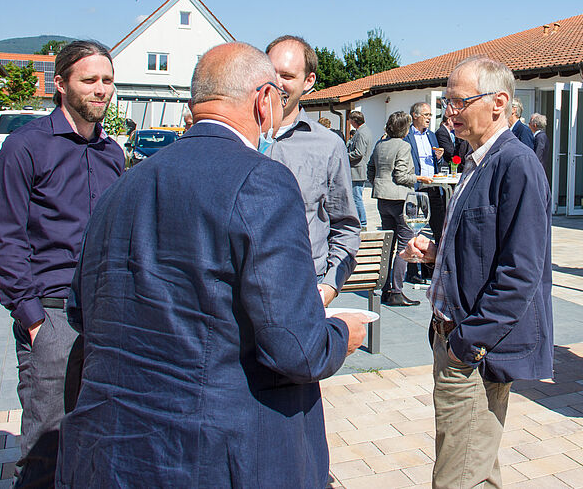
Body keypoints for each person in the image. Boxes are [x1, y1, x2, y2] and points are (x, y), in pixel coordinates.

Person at [55, 42, 367, 488]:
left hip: (116, 449)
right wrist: (341, 333)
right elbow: (295, 348)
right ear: (264, 101)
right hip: (216, 452)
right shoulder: (262, 180)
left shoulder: (123, 187)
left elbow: (82, 312)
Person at [402, 56, 553, 488]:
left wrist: (467, 345)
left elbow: (521, 273)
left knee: (457, 477)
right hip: (454, 338)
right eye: (446, 102)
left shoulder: (515, 164)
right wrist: (438, 253)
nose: (448, 112)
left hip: (472, 351)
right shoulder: (476, 160)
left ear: (498, 102)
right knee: (475, 468)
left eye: (457, 102)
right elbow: (486, 248)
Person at [0, 40, 124, 488]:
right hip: (52, 316)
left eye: (107, 80)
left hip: (104, 317)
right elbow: (5, 238)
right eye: (90, 80)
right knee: (48, 445)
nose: (100, 89)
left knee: (97, 437)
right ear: (60, 84)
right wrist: (31, 319)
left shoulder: (112, 154)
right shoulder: (25, 149)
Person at [265, 34, 361, 307]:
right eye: (271, 73)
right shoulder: (238, 137)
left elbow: (346, 225)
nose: (277, 83)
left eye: (287, 75)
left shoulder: (327, 145)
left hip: (304, 292)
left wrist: (330, 285)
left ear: (308, 82)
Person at [367, 111, 420, 306]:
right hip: (399, 198)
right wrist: (419, 179)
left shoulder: (380, 144)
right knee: (405, 244)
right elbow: (401, 176)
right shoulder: (403, 146)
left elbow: (370, 169)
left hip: (382, 198)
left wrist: (379, 184)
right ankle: (396, 290)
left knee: (388, 244)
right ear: (405, 129)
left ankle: (384, 285)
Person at [403, 102, 445, 283]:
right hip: (416, 188)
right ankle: (412, 272)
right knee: (413, 230)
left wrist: (440, 156)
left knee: (438, 228)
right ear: (415, 115)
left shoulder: (432, 136)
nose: (429, 118)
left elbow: (438, 161)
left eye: (431, 115)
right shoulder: (407, 136)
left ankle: (431, 268)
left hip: (433, 186)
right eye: (426, 114)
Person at [347, 110, 372, 229]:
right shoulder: (363, 131)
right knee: (356, 197)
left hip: (357, 170)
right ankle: (360, 222)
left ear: (354, 121)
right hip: (357, 169)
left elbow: (359, 153)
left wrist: (344, 155)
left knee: (356, 197)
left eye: (350, 120)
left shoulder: (361, 133)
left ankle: (362, 223)